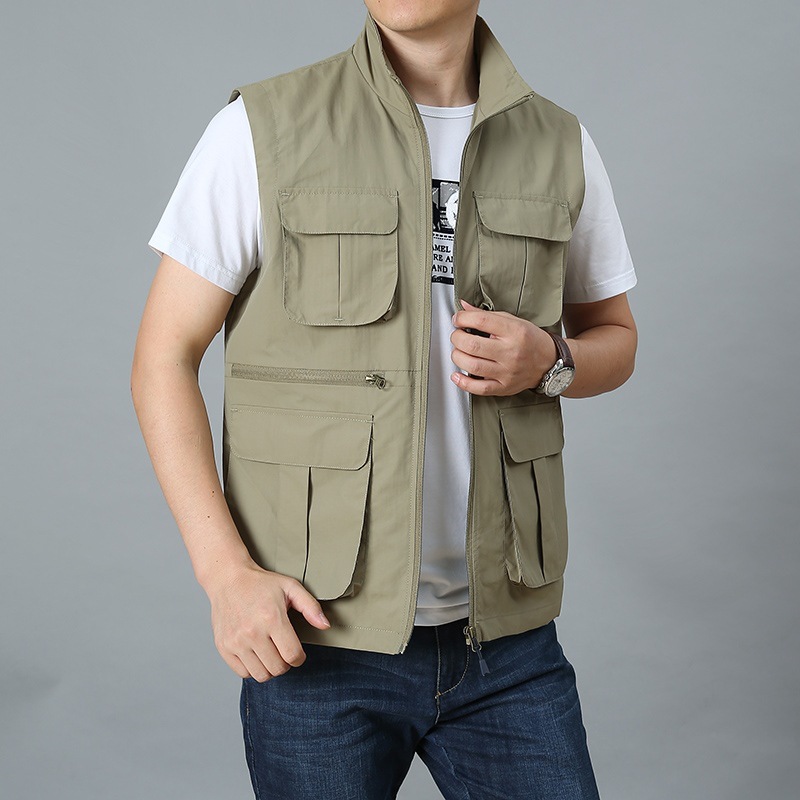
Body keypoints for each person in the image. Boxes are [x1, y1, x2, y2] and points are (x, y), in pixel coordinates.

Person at [131, 1, 637, 797]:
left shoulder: (558, 143)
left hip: (506, 644)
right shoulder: (262, 128)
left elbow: (616, 339)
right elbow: (162, 359)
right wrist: (225, 575)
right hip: (318, 641)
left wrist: (552, 360)